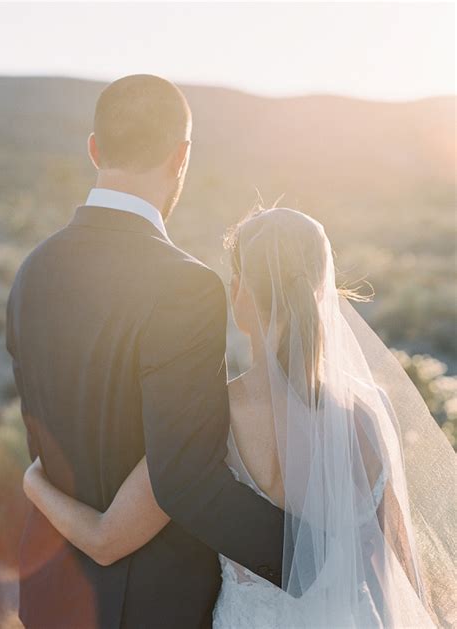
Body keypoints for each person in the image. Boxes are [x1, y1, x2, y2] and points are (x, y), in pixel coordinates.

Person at [24, 207, 457, 627]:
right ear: (323, 294)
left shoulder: (212, 416)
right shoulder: (367, 414)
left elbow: (105, 540)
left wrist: (34, 484)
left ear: (238, 296)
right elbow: (398, 562)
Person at [6, 74, 285, 629]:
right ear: (180, 158)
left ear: (93, 149)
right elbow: (185, 477)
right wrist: (314, 556)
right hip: (148, 607)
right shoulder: (184, 285)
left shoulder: (29, 272)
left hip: (50, 590)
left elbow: (44, 438)